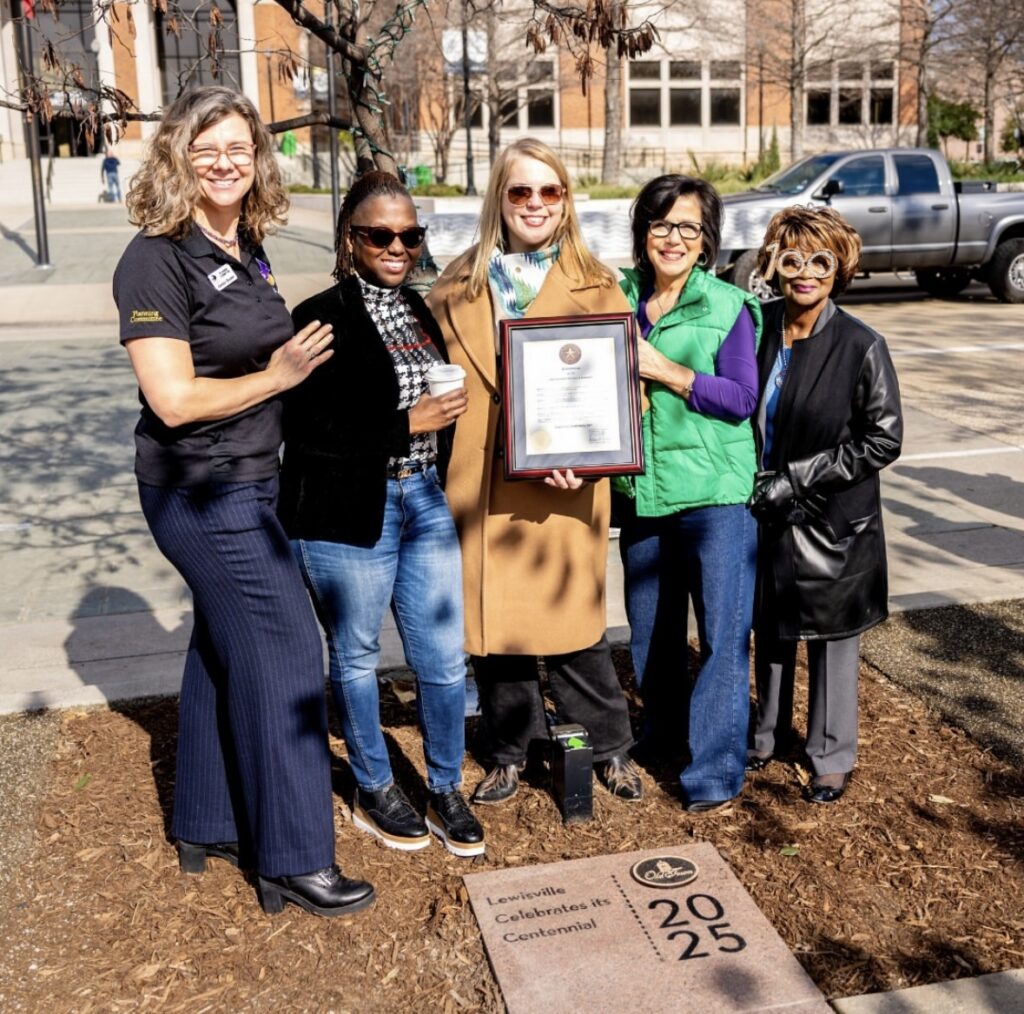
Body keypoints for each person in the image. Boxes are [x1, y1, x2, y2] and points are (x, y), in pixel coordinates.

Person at [113, 86, 374, 917]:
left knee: (225, 648)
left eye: (238, 147)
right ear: (177, 157)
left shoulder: (244, 242)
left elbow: (263, 357)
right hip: (201, 489)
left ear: (258, 157)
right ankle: (295, 858)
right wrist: (278, 376)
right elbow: (176, 400)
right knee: (292, 651)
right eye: (206, 148)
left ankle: (209, 818)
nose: (225, 162)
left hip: (252, 479)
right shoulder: (156, 257)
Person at [427, 138, 642, 805]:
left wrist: (591, 461)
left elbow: (623, 393)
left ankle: (610, 746)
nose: (536, 205)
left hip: (563, 486)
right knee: (500, 637)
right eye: (521, 191)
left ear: (567, 200)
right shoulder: (455, 284)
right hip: (481, 484)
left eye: (550, 191)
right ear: (500, 198)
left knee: (575, 631)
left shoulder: (598, 282)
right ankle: (508, 751)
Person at [278, 171, 485, 857]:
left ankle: (446, 786)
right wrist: (407, 424)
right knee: (359, 656)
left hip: (421, 496)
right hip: (348, 513)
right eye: (380, 234)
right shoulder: (319, 315)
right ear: (351, 239)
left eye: (409, 234)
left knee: (443, 657)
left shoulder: (417, 309)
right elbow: (306, 428)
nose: (396, 246)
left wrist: (430, 433)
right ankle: (373, 784)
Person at [616, 174, 762, 814]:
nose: (672, 238)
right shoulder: (616, 299)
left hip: (715, 497)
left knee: (722, 638)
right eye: (660, 225)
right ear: (642, 233)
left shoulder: (728, 306)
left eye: (688, 227)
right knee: (651, 633)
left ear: (706, 241)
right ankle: (662, 736)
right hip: (644, 493)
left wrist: (667, 371)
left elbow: (740, 399)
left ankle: (713, 771)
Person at [747, 206, 902, 804]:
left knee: (832, 640)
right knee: (773, 630)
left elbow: (883, 437)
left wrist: (799, 476)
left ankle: (832, 755)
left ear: (841, 268)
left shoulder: (862, 344)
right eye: (792, 258)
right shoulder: (755, 327)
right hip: (766, 513)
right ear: (774, 264)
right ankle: (766, 738)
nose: (805, 272)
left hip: (833, 522)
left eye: (820, 260)